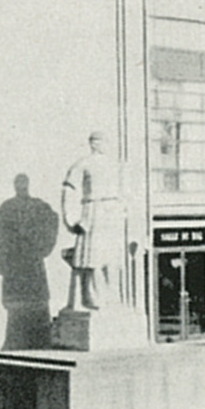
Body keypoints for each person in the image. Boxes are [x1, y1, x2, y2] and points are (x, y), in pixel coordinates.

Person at [61, 131, 126, 311]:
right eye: (99, 141)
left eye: (105, 141)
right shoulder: (83, 164)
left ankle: (112, 297)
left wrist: (122, 211)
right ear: (93, 144)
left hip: (111, 212)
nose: (103, 144)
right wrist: (72, 220)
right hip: (92, 210)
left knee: (112, 258)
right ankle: (94, 297)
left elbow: (125, 191)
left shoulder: (115, 165)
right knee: (93, 258)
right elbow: (69, 191)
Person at [0, 173, 59, 346]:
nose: (21, 186)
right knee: (16, 306)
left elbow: (53, 221)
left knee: (37, 303)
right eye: (18, 183)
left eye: (23, 183)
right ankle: (16, 341)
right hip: (14, 265)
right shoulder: (7, 207)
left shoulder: (39, 206)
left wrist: (43, 247)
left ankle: (40, 341)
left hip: (32, 263)